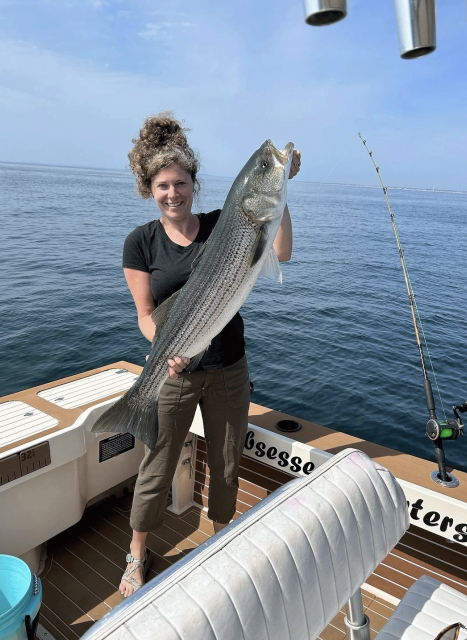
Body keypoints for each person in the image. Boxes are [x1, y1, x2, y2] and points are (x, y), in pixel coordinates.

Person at [119, 112, 301, 597]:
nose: (172, 192)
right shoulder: (140, 243)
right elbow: (145, 313)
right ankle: (136, 554)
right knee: (157, 464)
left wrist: (282, 190)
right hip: (173, 370)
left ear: (194, 185)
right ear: (149, 189)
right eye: (162, 185)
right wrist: (166, 352)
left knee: (225, 463)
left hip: (228, 370)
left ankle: (220, 542)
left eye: (180, 182)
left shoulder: (228, 223)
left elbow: (279, 253)